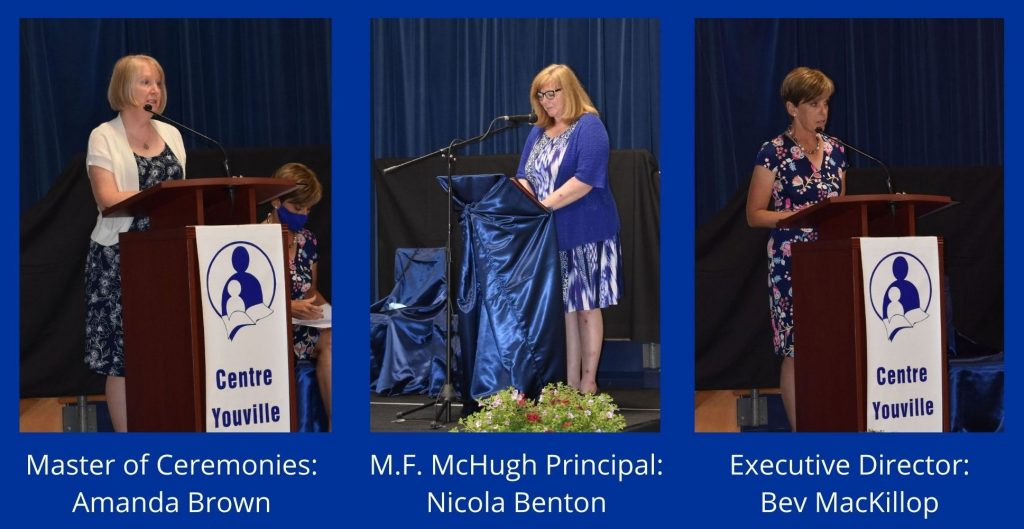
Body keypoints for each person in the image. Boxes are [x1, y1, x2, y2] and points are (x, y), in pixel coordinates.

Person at [84, 55, 187, 432]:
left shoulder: (172, 135)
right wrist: (158, 195)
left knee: (169, 350)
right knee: (123, 358)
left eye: (158, 82)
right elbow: (107, 199)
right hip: (120, 258)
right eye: (145, 82)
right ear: (125, 88)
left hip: (168, 256)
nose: (155, 90)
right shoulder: (103, 135)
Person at [745, 66, 848, 430]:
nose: (823, 111)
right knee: (797, 348)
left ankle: (833, 422)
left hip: (833, 260)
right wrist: (795, 215)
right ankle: (801, 430)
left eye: (826, 103)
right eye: (815, 104)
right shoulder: (773, 152)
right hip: (791, 260)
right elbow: (754, 215)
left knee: (833, 344)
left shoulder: (837, 151)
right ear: (792, 108)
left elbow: (843, 210)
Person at [516, 64, 622, 394]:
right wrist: (525, 199)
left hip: (587, 230)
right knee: (566, 311)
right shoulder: (537, 131)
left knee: (587, 307)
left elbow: (586, 180)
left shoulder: (589, 126)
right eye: (540, 94)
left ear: (569, 90)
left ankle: (588, 383)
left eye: (552, 93)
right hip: (551, 235)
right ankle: (570, 383)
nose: (546, 101)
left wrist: (542, 206)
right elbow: (522, 175)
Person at [263, 162, 331, 431]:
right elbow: (250, 303)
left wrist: (329, 312)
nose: (303, 215)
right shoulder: (254, 239)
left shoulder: (308, 240)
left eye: (308, 209)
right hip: (268, 326)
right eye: (297, 208)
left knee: (335, 336)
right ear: (277, 200)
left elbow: (311, 291)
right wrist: (289, 307)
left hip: (303, 326)